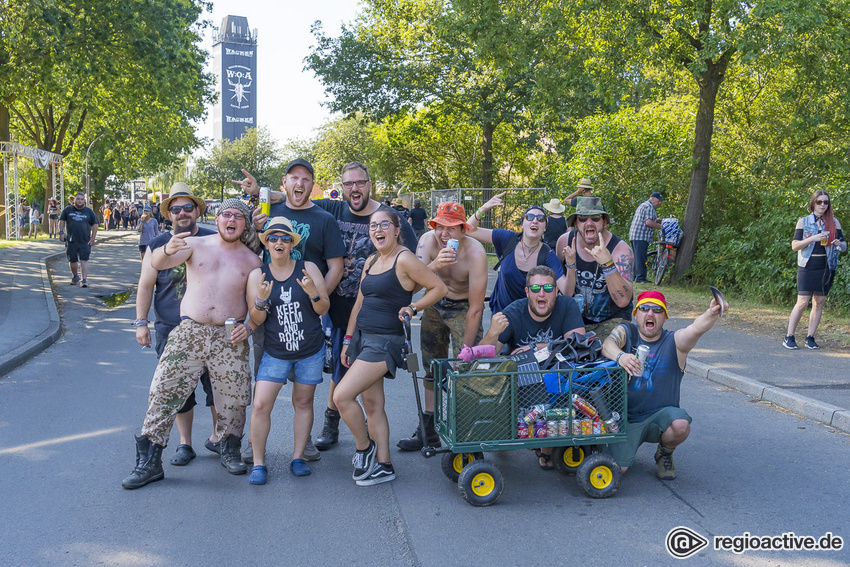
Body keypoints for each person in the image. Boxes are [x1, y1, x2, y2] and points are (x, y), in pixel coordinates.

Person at [235, 161, 418, 453]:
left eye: (360, 183)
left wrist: (318, 299)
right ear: (341, 188)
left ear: (370, 184)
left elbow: (410, 263)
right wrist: (261, 194)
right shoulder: (312, 209)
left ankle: (363, 448)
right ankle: (255, 443)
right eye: (348, 184)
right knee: (270, 385)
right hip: (282, 313)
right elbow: (283, 206)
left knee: (337, 379)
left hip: (359, 310)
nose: (354, 188)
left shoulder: (387, 217)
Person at [121, 198, 262, 489]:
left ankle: (229, 448)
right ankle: (149, 461)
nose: (231, 219)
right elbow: (159, 263)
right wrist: (165, 250)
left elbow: (253, 307)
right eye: (226, 215)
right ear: (218, 219)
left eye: (238, 216)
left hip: (228, 337)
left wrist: (249, 326)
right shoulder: (195, 245)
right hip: (189, 332)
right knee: (163, 391)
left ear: (245, 224)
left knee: (234, 397)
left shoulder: (251, 261)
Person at [241, 158, 346, 462]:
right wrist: (254, 221)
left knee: (304, 393)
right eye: (293, 178)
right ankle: (253, 444)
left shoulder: (324, 218)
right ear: (284, 183)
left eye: (306, 179)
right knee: (263, 390)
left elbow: (336, 266)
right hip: (268, 313)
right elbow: (248, 248)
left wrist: (314, 298)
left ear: (312, 186)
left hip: (308, 314)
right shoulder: (267, 212)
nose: (299, 183)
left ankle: (305, 445)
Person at [334, 208, 447, 486]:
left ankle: (364, 448)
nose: (378, 229)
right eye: (373, 226)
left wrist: (413, 306)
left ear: (398, 230)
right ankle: (384, 465)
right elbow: (359, 303)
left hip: (386, 341)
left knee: (341, 396)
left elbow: (438, 288)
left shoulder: (404, 258)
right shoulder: (371, 260)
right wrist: (348, 340)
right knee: (372, 404)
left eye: (384, 224)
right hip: (362, 338)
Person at [601, 290, 728, 480]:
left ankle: (664, 453)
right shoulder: (627, 331)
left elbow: (695, 329)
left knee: (680, 425)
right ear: (636, 314)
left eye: (657, 310)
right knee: (615, 472)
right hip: (624, 420)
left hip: (658, 419)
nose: (650, 313)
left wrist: (712, 312)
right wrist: (621, 356)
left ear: (665, 317)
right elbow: (607, 345)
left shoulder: (674, 341)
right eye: (644, 308)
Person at [135, 184, 218, 467]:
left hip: (208, 328)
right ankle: (185, 444)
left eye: (187, 208)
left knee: (216, 388)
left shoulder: (214, 239)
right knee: (177, 391)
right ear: (169, 214)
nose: (182, 213)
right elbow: (146, 285)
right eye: (175, 209)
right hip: (169, 327)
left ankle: (219, 438)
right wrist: (141, 323)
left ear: (197, 210)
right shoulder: (157, 245)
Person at [245, 217, 330, 484]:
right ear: (266, 244)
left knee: (303, 403)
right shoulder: (258, 275)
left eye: (284, 238)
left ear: (292, 243)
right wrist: (260, 300)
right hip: (275, 352)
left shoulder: (308, 268)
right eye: (273, 238)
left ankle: (298, 457)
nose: (278, 242)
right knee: (260, 405)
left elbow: (323, 309)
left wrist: (313, 292)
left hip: (309, 350)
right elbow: (255, 320)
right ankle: (259, 463)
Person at [397, 201, 488, 451]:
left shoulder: (476, 253)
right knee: (431, 368)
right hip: (435, 305)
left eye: (451, 228)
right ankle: (428, 430)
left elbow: (476, 308)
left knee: (467, 368)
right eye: (440, 227)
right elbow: (411, 285)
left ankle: (469, 430)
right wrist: (435, 265)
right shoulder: (426, 242)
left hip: (463, 307)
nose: (444, 234)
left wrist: (466, 351)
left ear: (464, 230)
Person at [480, 265, 585, 469]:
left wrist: (536, 347)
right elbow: (485, 355)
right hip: (523, 384)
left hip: (559, 382)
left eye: (548, 288)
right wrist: (493, 333)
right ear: (527, 292)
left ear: (556, 291)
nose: (542, 293)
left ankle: (547, 445)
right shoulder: (513, 312)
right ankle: (533, 438)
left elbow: (579, 344)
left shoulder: (567, 305)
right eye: (536, 288)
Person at [466, 192, 566, 314]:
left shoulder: (548, 254)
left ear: (545, 228)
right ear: (522, 223)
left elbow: (566, 290)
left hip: (530, 321)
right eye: (529, 217)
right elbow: (469, 230)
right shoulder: (507, 239)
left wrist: (571, 265)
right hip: (502, 317)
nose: (534, 221)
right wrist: (484, 208)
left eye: (540, 219)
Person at [556, 196, 634, 338]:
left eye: (596, 218)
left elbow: (623, 301)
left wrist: (608, 263)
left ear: (604, 222)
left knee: (605, 351)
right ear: (575, 223)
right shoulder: (564, 242)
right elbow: (561, 287)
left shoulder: (620, 250)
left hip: (613, 320)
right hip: (576, 320)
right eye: (582, 218)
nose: (589, 223)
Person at [784, 190, 846, 350]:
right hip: (807, 266)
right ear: (813, 203)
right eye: (819, 202)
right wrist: (812, 238)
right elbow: (794, 245)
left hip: (826, 267)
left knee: (819, 302)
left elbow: (844, 246)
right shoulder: (803, 221)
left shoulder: (834, 222)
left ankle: (810, 337)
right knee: (802, 302)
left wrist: (839, 244)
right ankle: (789, 336)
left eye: (826, 202)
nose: (823, 205)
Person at [58, 192, 98, 288]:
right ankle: (75, 276)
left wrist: (93, 237)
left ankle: (84, 280)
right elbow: (62, 220)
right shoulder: (68, 210)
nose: (80, 201)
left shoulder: (89, 211)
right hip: (71, 240)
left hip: (85, 240)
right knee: (73, 260)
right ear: (74, 200)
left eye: (81, 199)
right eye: (78, 199)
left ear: (84, 200)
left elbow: (95, 224)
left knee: (84, 260)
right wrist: (61, 232)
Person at [629, 192, 664, 283]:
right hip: (641, 235)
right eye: (658, 200)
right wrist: (662, 228)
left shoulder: (644, 205)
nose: (659, 202)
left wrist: (659, 220)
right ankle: (640, 278)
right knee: (641, 257)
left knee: (637, 257)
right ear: (652, 198)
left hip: (635, 235)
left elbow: (648, 218)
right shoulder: (649, 207)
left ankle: (635, 276)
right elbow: (648, 222)